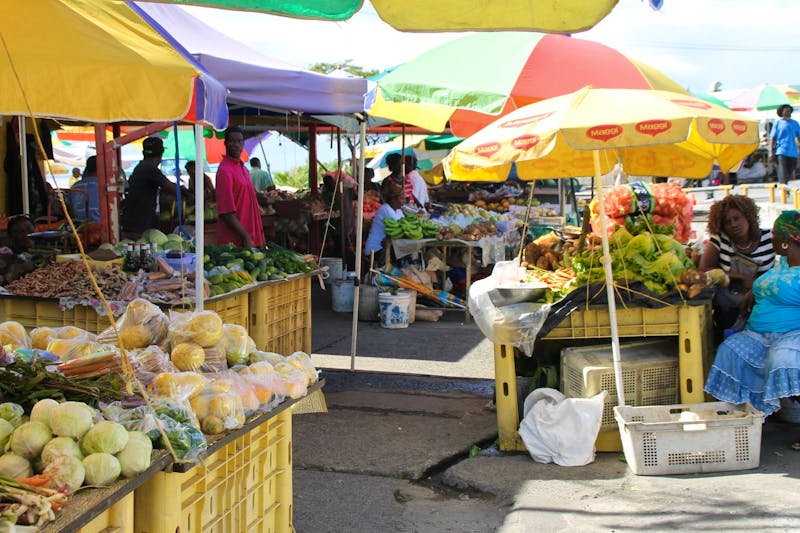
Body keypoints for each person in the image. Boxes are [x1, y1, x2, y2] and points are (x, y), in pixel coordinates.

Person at [704, 210, 800, 429]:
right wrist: (754, 293)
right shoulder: (782, 264)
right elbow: (771, 283)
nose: (771, 237)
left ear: (786, 241)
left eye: (775, 234)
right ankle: (746, 423)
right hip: (759, 333)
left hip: (792, 334)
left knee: (784, 361)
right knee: (730, 351)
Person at [699, 195, 775, 337]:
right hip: (729, 305)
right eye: (727, 222)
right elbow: (704, 270)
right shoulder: (720, 239)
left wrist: (755, 287)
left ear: (748, 217)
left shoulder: (770, 238)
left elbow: (784, 269)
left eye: (737, 218)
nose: (733, 224)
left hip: (762, 300)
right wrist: (740, 277)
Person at [120, 137, 185, 238]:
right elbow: (172, 188)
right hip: (139, 223)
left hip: (135, 220)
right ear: (160, 155)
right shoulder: (149, 169)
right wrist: (188, 193)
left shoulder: (141, 166)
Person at [216, 126, 264, 248]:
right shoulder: (224, 171)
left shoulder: (244, 168)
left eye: (239, 141)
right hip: (236, 242)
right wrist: (246, 236)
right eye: (232, 141)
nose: (236, 145)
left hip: (251, 237)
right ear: (225, 143)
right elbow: (227, 213)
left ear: (243, 143)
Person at [364, 184, 405, 265]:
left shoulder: (398, 211)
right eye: (402, 198)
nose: (404, 201)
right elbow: (401, 228)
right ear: (393, 200)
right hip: (376, 250)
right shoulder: (386, 209)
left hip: (388, 248)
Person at [768, 104, 800, 184]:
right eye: (785, 110)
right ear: (782, 112)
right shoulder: (778, 123)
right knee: (782, 171)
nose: (787, 111)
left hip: (793, 152)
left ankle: (786, 186)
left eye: (789, 110)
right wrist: (771, 151)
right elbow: (772, 138)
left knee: (790, 171)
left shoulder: (795, 123)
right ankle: (784, 189)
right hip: (781, 151)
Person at [0, 215, 35, 284]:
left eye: (29, 230)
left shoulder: (45, 254)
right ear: (10, 236)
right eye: (19, 232)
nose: (26, 234)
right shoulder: (5, 257)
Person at [69, 155, 100, 223]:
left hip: (78, 226)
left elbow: (70, 209)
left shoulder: (75, 186)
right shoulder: (102, 185)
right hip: (98, 224)